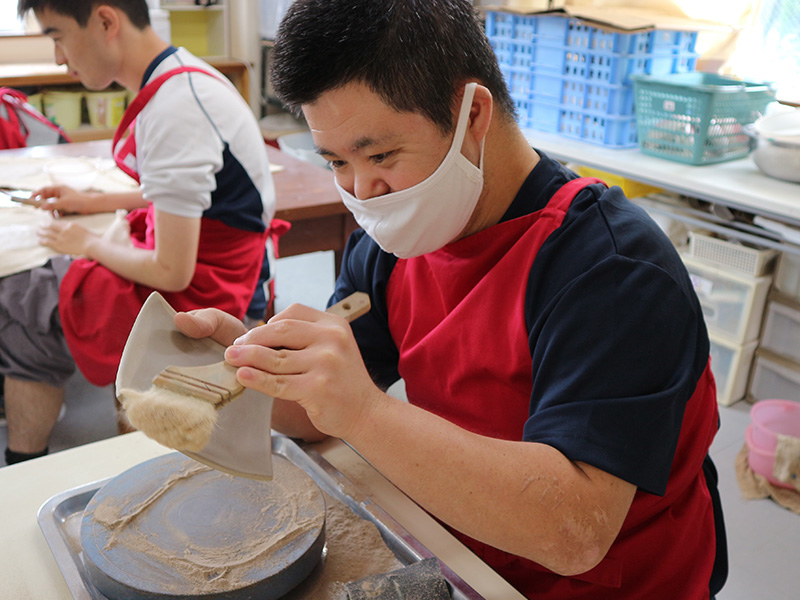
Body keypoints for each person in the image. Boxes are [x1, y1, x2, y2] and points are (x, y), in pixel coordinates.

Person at [174, 0, 727, 597]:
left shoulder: (610, 269)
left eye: (381, 155)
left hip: (614, 579)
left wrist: (364, 411)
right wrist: (254, 369)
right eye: (337, 161)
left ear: (473, 114)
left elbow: (574, 530)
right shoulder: (396, 242)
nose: (363, 190)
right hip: (467, 546)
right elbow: (318, 412)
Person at [3, 0, 275, 465]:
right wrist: (92, 202)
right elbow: (184, 192)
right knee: (39, 279)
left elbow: (171, 271)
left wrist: (88, 243)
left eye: (57, 36)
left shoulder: (177, 107)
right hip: (212, 257)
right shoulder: (177, 74)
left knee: (21, 300)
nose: (58, 58)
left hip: (206, 286)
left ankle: (25, 466)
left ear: (106, 21)